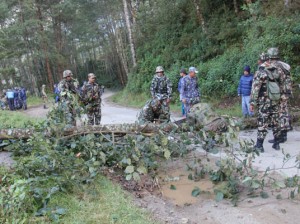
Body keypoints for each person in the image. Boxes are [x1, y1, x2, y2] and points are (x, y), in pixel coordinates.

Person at [250, 48, 289, 152]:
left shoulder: (261, 71)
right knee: (276, 121)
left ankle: (259, 146)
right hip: (276, 100)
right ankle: (276, 144)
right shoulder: (279, 70)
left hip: (264, 101)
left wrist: (252, 102)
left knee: (262, 122)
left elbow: (255, 88)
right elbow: (284, 86)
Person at [266, 48, 292, 144]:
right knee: (284, 112)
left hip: (278, 94)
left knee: (278, 114)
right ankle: (284, 135)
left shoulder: (274, 66)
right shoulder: (284, 65)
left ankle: (280, 136)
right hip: (286, 92)